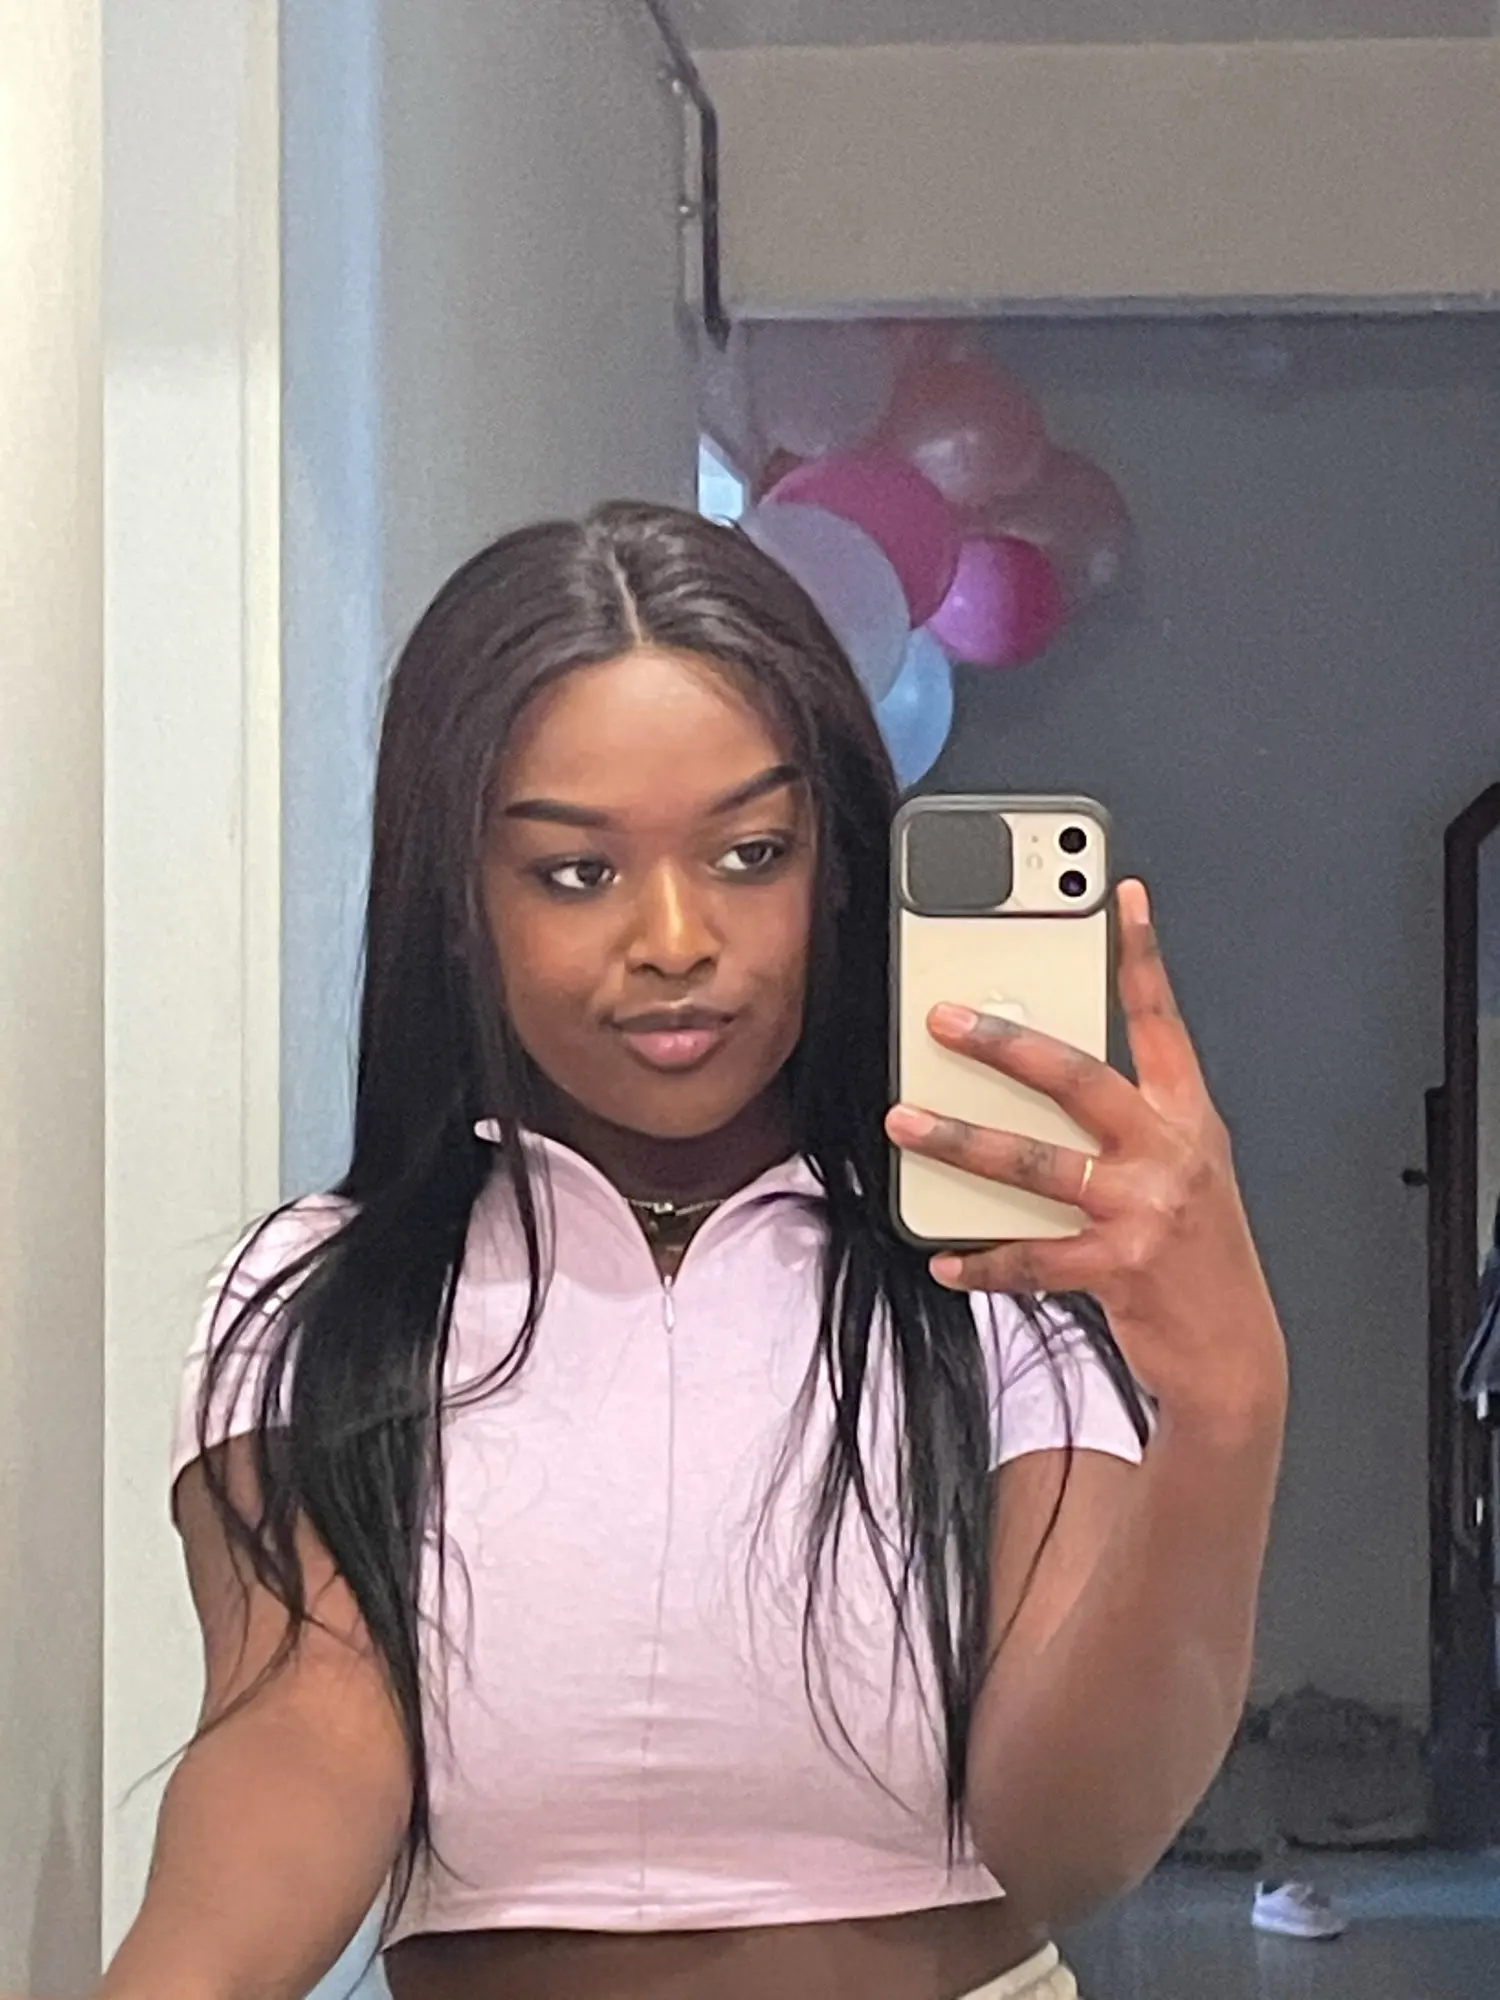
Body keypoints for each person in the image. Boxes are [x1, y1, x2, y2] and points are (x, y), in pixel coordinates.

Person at [95, 503, 1288, 2000]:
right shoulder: (322, 1303)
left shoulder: (988, 1288)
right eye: (576, 872)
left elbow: (1071, 1839)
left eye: (749, 852)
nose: (674, 936)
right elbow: (302, 1739)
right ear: (458, 903)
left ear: (833, 869)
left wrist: (1229, 1406)